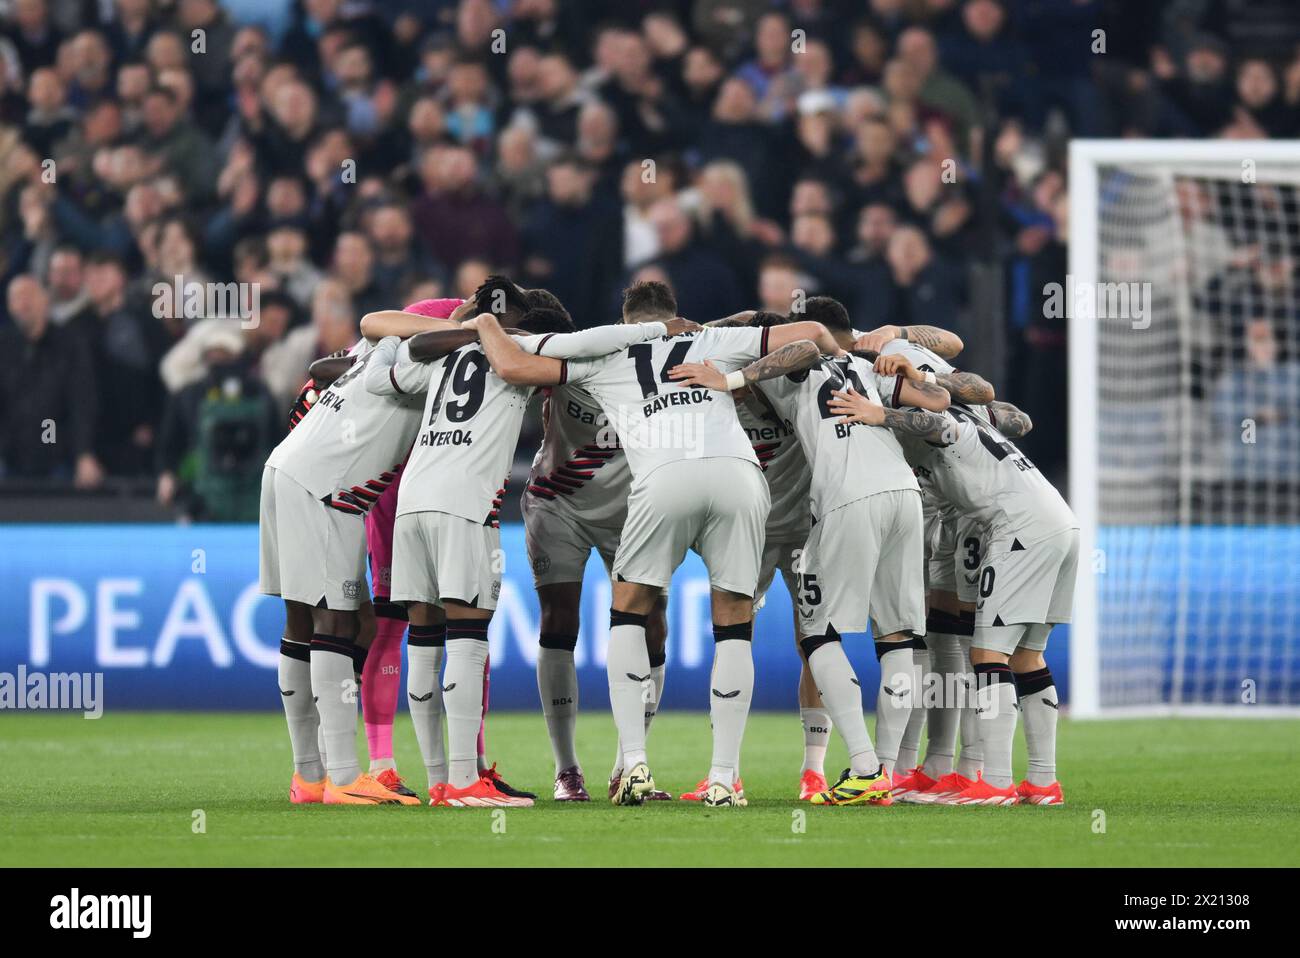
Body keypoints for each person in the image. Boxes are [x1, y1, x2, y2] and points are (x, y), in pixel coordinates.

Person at [470, 280, 842, 807]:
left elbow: (512, 364)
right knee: (735, 621)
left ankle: (634, 765)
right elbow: (812, 334)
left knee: (629, 611)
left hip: (662, 479)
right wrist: (735, 373)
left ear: (630, 320)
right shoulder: (712, 342)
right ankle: (722, 779)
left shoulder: (608, 351)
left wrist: (482, 319)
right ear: (678, 315)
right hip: (739, 476)